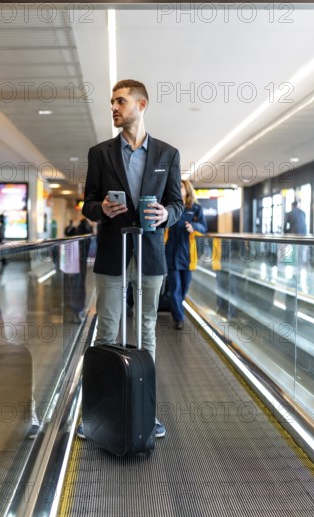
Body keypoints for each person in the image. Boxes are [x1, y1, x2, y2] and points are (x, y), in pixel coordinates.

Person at [78, 78, 184, 439]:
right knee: (106, 333)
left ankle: (145, 413)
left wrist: (166, 215)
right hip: (112, 252)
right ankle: (98, 416)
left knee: (146, 334)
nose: (114, 108)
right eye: (112, 102)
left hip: (150, 254)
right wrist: (102, 208)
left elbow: (178, 204)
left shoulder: (167, 154)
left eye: (120, 101)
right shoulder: (100, 153)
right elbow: (88, 203)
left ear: (142, 104)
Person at [165, 179, 207, 329]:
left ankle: (177, 308)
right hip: (171, 252)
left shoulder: (195, 208)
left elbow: (203, 227)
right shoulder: (170, 207)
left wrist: (193, 226)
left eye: (181, 186)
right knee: (175, 287)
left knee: (183, 289)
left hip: (188, 254)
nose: (179, 188)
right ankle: (179, 318)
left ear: (187, 189)